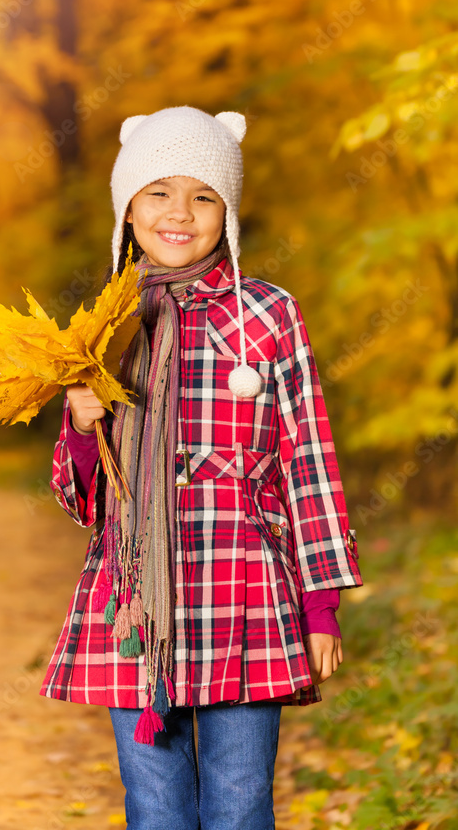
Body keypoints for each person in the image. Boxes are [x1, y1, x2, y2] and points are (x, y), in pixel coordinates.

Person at [39, 106, 363, 830]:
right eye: (158, 192)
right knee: (153, 806)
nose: (178, 213)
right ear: (127, 207)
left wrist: (321, 605)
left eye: (202, 194)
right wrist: (84, 428)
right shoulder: (104, 322)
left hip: (242, 591)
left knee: (241, 801)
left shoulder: (268, 315)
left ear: (229, 212)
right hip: (133, 602)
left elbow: (306, 459)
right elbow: (81, 499)